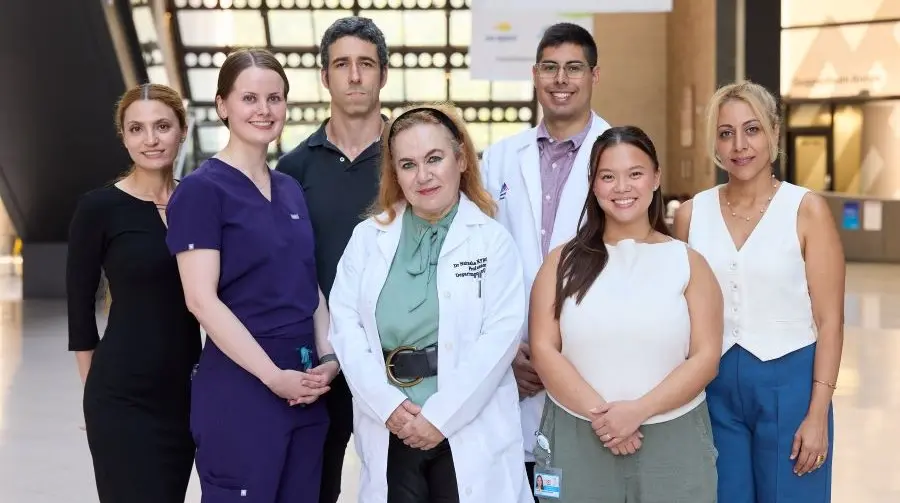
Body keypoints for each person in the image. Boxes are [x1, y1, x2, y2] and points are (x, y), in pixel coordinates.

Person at [328, 103, 533, 503]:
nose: (423, 175)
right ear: (394, 174)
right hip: (393, 422)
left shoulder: (492, 242)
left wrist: (440, 416)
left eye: (434, 159)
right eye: (407, 164)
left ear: (460, 159)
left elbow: (500, 339)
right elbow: (346, 328)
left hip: (466, 423)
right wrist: (388, 406)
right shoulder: (368, 238)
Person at [165, 48, 340, 503]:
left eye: (275, 98)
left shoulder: (289, 188)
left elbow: (309, 284)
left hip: (305, 387)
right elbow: (201, 301)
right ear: (222, 105)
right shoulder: (201, 191)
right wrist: (272, 376)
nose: (264, 110)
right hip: (243, 389)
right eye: (249, 98)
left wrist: (327, 356)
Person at [529, 126, 723, 502]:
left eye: (635, 173)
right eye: (608, 176)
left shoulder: (688, 263)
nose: (622, 187)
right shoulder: (561, 262)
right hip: (576, 433)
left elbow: (705, 357)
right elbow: (544, 349)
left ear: (655, 178)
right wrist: (603, 416)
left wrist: (637, 412)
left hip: (674, 438)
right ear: (593, 184)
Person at [673, 80, 845, 503]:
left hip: (791, 385)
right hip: (714, 393)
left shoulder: (806, 210)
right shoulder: (692, 214)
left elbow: (830, 320)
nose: (739, 145)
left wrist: (818, 411)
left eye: (751, 130)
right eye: (726, 132)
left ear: (773, 131)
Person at [479, 21, 611, 491]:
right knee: (518, 482)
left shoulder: (618, 156)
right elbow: (479, 265)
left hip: (592, 359)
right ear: (535, 74)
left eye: (574, 68)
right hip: (512, 361)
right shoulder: (497, 160)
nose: (561, 79)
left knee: (583, 485)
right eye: (550, 68)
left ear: (595, 76)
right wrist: (504, 352)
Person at [66, 83, 201, 502]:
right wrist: (93, 395)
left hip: (187, 393)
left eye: (162, 126)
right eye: (137, 129)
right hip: (121, 394)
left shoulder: (201, 202)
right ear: (123, 137)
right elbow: (79, 311)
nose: (151, 139)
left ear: (182, 130)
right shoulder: (99, 208)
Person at [275, 17, 388, 502]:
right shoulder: (294, 168)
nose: (355, 76)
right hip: (322, 357)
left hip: (397, 356)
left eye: (366, 64)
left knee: (398, 484)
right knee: (314, 486)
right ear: (325, 76)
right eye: (342, 64)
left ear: (383, 74)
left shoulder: (413, 159)